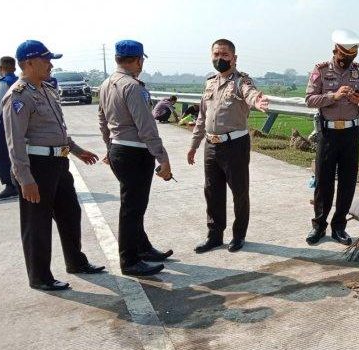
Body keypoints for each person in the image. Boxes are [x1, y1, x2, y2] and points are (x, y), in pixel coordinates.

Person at [2, 40, 105, 290]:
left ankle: (76, 262)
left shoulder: (46, 89)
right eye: (46, 60)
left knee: (70, 213)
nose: (50, 65)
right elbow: (14, 142)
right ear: (28, 63)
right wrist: (25, 178)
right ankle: (40, 277)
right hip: (36, 166)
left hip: (59, 162)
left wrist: (77, 150)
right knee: (37, 222)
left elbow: (57, 130)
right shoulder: (18, 96)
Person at [98, 40, 173, 276]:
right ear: (138, 60)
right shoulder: (132, 86)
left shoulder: (106, 84)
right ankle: (129, 260)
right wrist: (162, 157)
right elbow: (146, 126)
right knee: (133, 208)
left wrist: (109, 147)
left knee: (133, 204)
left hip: (119, 149)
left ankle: (142, 248)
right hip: (134, 153)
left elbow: (102, 120)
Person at [187, 38, 269, 253]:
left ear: (234, 58)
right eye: (216, 54)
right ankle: (214, 235)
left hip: (235, 146)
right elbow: (202, 118)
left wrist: (257, 101)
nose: (219, 58)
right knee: (212, 192)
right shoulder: (210, 82)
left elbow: (251, 94)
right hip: (211, 145)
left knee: (239, 192)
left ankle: (238, 235)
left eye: (224, 55)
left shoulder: (242, 81)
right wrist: (194, 144)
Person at [304, 29, 359, 246]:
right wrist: (332, 97)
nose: (348, 60)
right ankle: (319, 226)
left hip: (351, 134)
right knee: (323, 182)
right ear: (335, 50)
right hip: (328, 133)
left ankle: (339, 227)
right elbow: (309, 99)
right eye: (344, 56)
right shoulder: (321, 70)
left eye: (352, 56)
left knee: (347, 181)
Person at [0, 56, 19, 200]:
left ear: (0, 68)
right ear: (14, 68)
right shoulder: (19, 81)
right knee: (16, 153)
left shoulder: (3, 83)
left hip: (5, 123)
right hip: (19, 123)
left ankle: (10, 185)